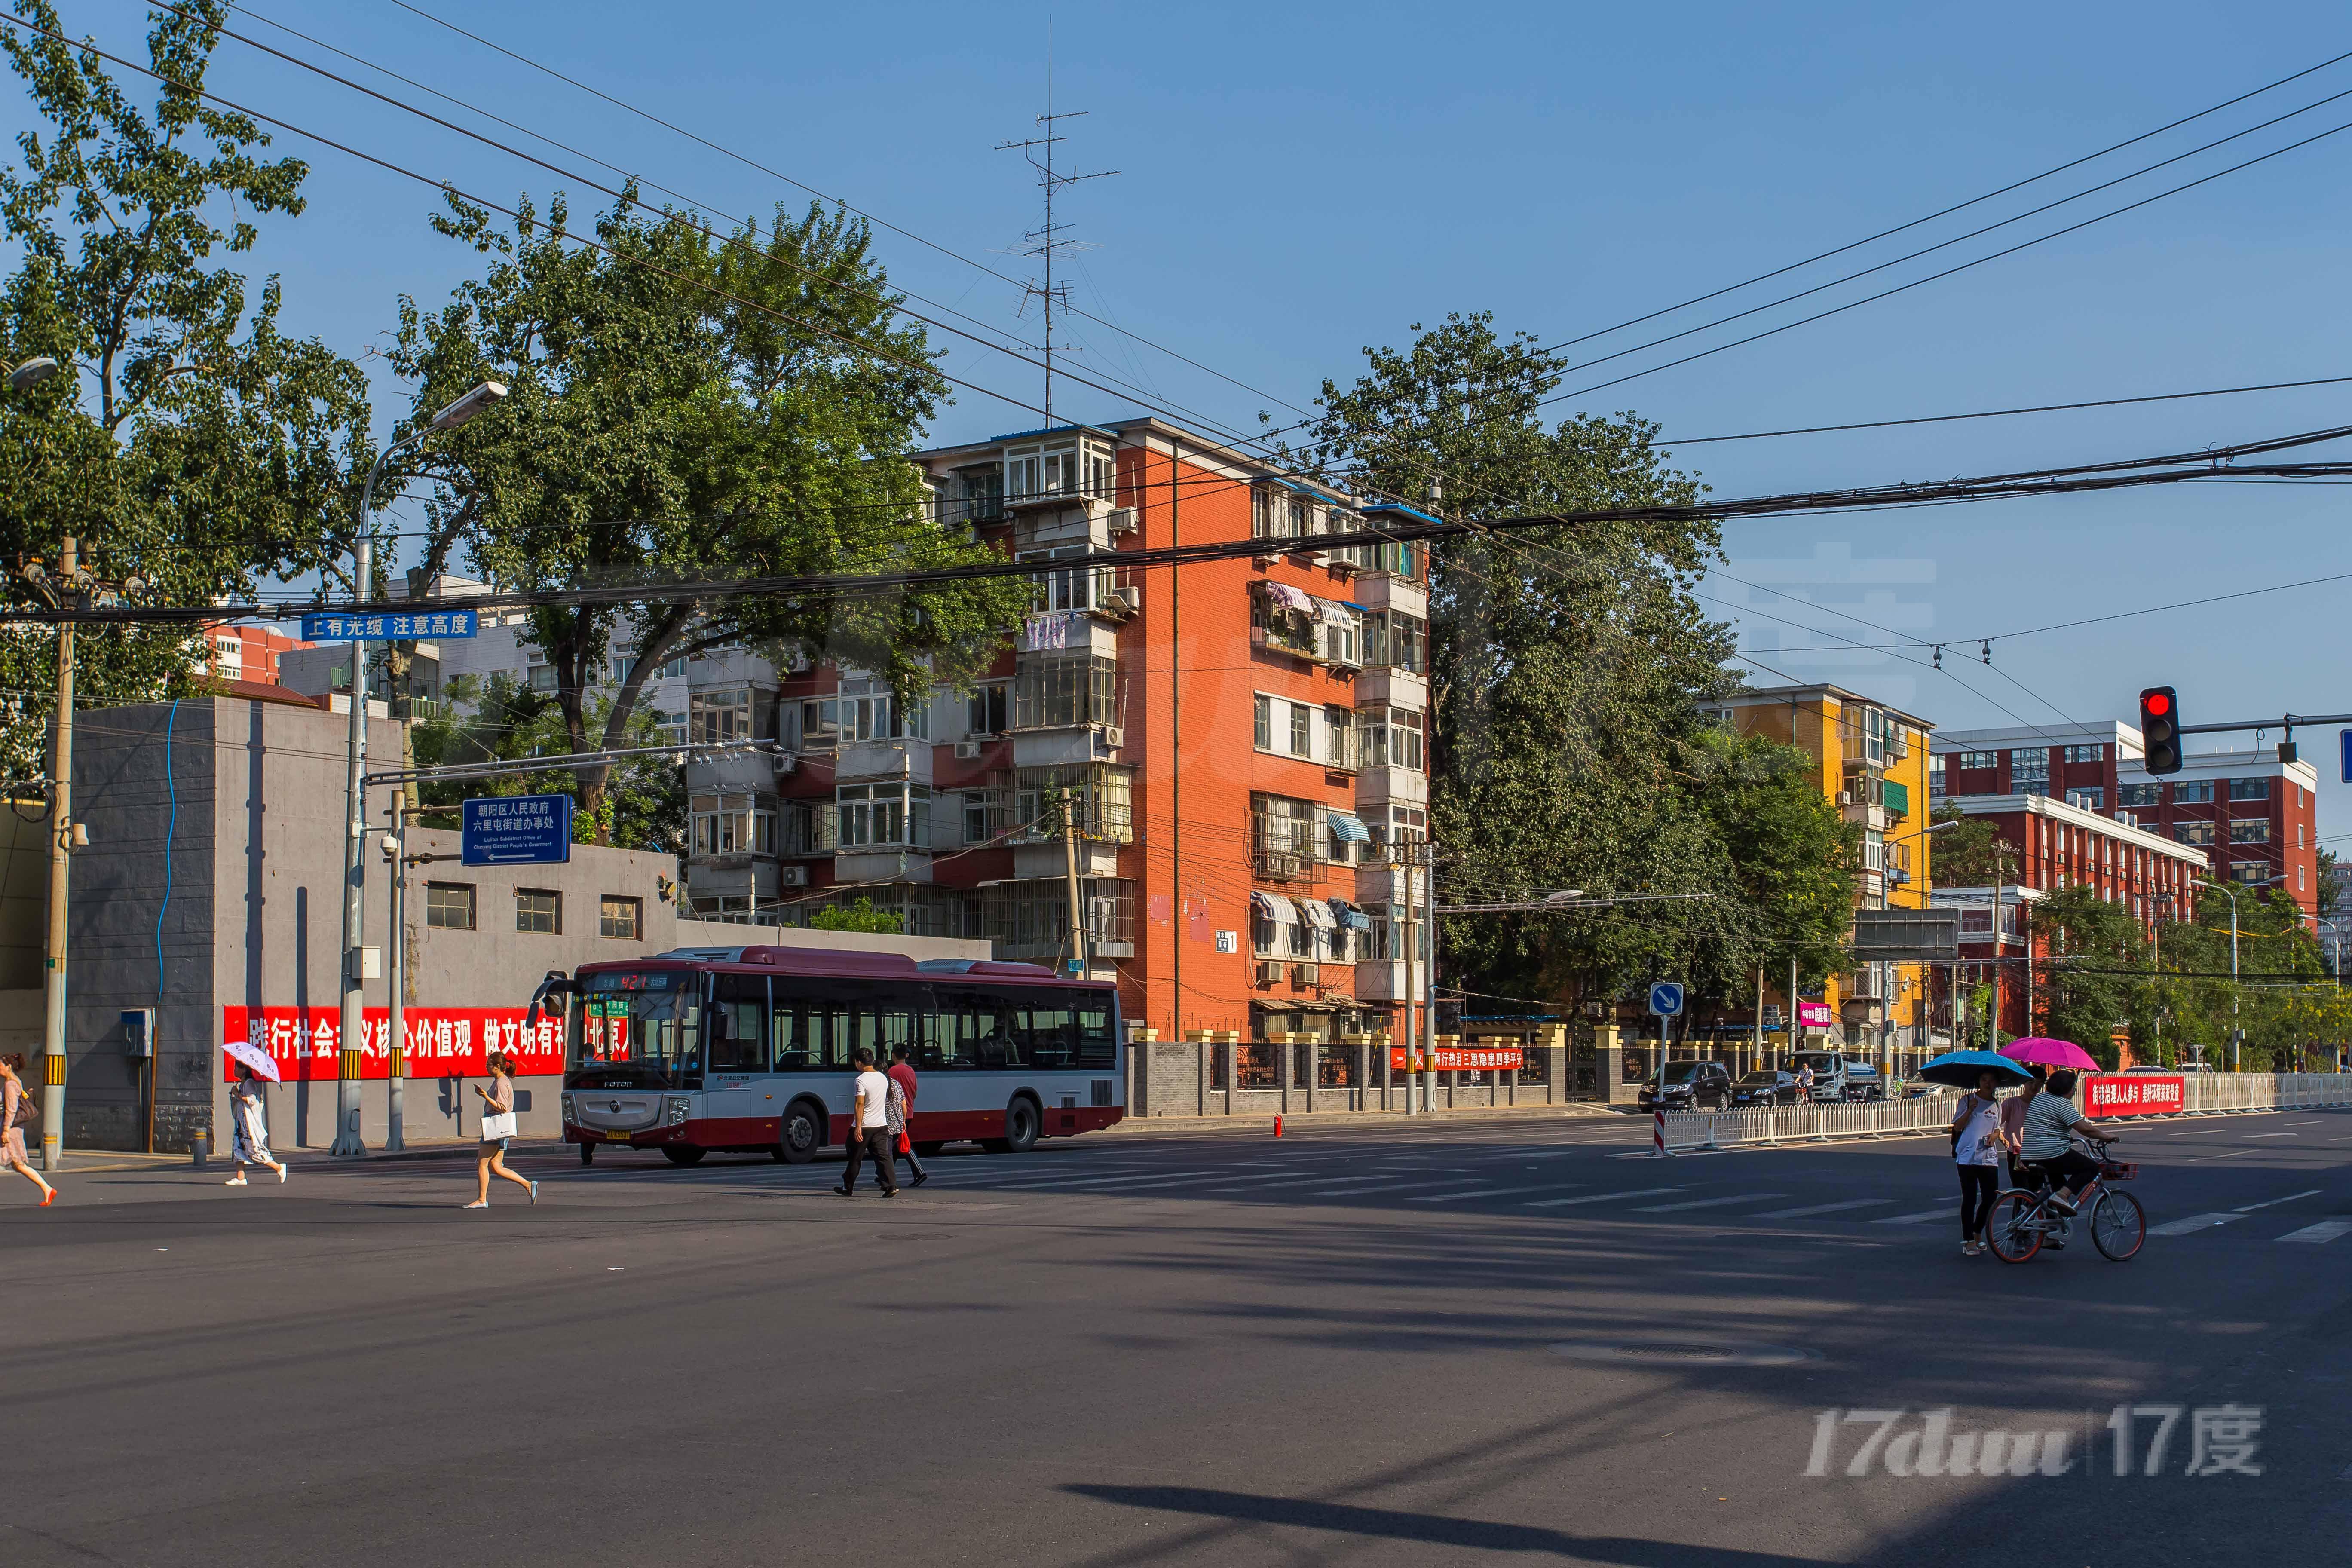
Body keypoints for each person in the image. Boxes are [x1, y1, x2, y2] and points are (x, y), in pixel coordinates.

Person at [2019, 1068, 2119, 1218]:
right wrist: (2107, 1137)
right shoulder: (2062, 1104)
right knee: (2091, 1168)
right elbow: (2085, 1129)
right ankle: (2062, 1196)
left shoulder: (2040, 1098)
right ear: (2069, 1089)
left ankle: (2051, 1237)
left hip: (2028, 1155)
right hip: (2051, 1154)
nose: (2074, 1091)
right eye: (2074, 1087)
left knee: (2057, 1189)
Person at [466, 1050, 539, 1209]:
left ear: (498, 1066)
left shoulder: (501, 1083)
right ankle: (528, 1185)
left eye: (489, 1065)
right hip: (501, 1129)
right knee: (496, 1166)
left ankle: (482, 1199)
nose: (486, 1067)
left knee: (482, 1163)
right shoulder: (502, 1081)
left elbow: (503, 1108)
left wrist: (485, 1096)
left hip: (496, 1127)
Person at [1948, 1069, 2005, 1256]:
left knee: (1990, 1198)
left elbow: (1997, 1129)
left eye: (1991, 1081)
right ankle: (1968, 1240)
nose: (1987, 1084)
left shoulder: (1997, 1104)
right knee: (1970, 1199)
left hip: (1988, 1158)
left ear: (1997, 1084)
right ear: (1979, 1081)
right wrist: (1971, 1109)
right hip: (1967, 1157)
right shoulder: (1967, 1100)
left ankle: (1977, 1231)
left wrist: (1994, 1136)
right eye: (1984, 1080)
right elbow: (1957, 1126)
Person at [836, 1047, 899, 1197]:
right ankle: (891, 1186)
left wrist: (858, 1127)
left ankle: (848, 1187)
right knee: (884, 1157)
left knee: (855, 1157)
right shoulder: (883, 1078)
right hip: (881, 1125)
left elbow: (860, 1105)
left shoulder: (861, 1080)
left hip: (865, 1126)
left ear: (859, 1062)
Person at [0, 1053, 55, 1207]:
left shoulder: (11, 1085)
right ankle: (47, 1188)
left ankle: (48, 1188)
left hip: (11, 1130)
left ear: (8, 1067)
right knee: (18, 1165)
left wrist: (5, 1130)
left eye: (0, 1066)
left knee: (19, 1165)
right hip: (14, 1129)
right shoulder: (17, 1082)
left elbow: (11, 1109)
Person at [225, 1062, 287, 1186]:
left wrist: (237, 1094)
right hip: (241, 1124)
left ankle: (278, 1168)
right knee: (238, 1150)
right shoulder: (242, 1084)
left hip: (249, 1126)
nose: (234, 1071)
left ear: (243, 1070)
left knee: (255, 1150)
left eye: (236, 1068)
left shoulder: (249, 1083)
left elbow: (252, 1101)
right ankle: (241, 1177)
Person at [1998, 1063, 2046, 1190]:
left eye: (2039, 1083)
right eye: (2031, 1082)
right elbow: (1995, 1125)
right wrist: (2004, 1139)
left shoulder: (2043, 1106)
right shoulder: (2012, 1104)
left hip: (2038, 1153)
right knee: (2021, 1191)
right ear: (2024, 1083)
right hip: (2017, 1153)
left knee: (2036, 1191)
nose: (2034, 1086)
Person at [888, 1044, 928, 1188]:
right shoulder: (911, 1071)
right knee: (895, 1146)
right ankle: (884, 1175)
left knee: (901, 1145)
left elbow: (889, 1093)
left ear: (893, 1055)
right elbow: (915, 1093)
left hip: (897, 1114)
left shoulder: (892, 1071)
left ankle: (920, 1172)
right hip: (909, 1111)